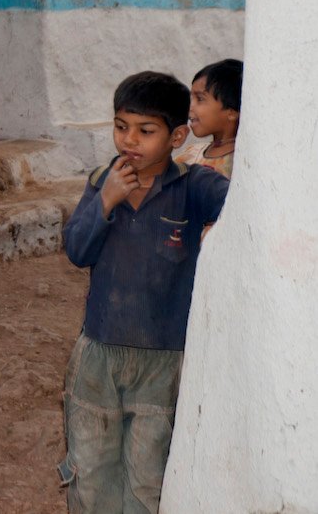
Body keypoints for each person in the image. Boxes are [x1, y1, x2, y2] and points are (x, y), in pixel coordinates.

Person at [60, 71, 229, 512]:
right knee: (90, 473)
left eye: (145, 130)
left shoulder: (194, 187)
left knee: (147, 481)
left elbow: (244, 204)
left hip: (163, 361)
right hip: (98, 354)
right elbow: (77, 250)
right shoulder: (103, 180)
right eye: (121, 127)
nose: (129, 140)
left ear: (177, 136)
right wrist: (106, 201)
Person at [177, 58, 242, 177]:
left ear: (232, 112)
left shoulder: (241, 163)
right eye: (191, 98)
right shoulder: (190, 155)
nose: (190, 106)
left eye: (200, 99)